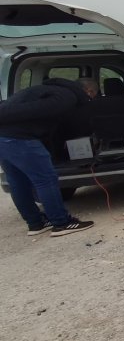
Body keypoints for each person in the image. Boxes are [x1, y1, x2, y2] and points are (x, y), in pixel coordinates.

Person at [0, 78, 98, 237]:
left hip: (3, 138)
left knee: (18, 181)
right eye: (91, 97)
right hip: (20, 139)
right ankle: (62, 223)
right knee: (45, 179)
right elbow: (32, 111)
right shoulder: (66, 96)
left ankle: (35, 223)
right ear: (89, 92)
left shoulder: (46, 89)